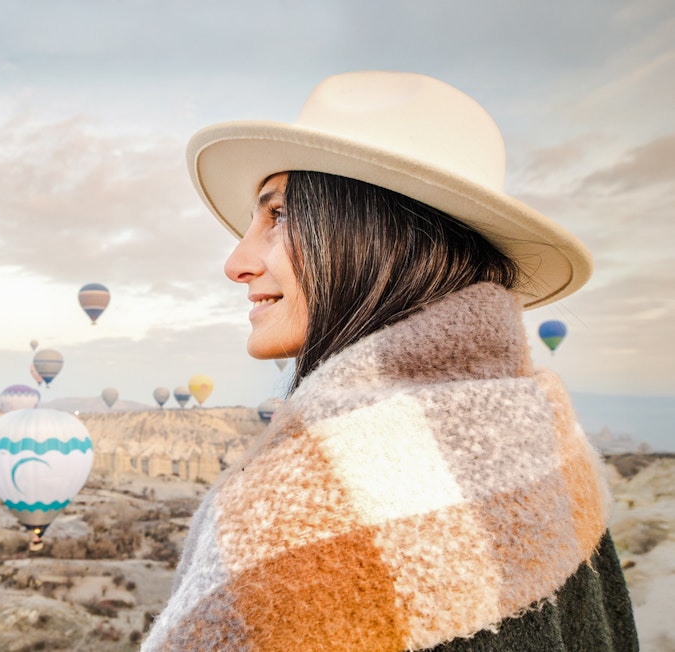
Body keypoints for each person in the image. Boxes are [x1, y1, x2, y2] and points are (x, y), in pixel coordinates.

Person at [141, 71, 637, 651]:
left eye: (277, 215)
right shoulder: (549, 438)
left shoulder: (297, 511)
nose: (236, 261)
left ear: (376, 233)